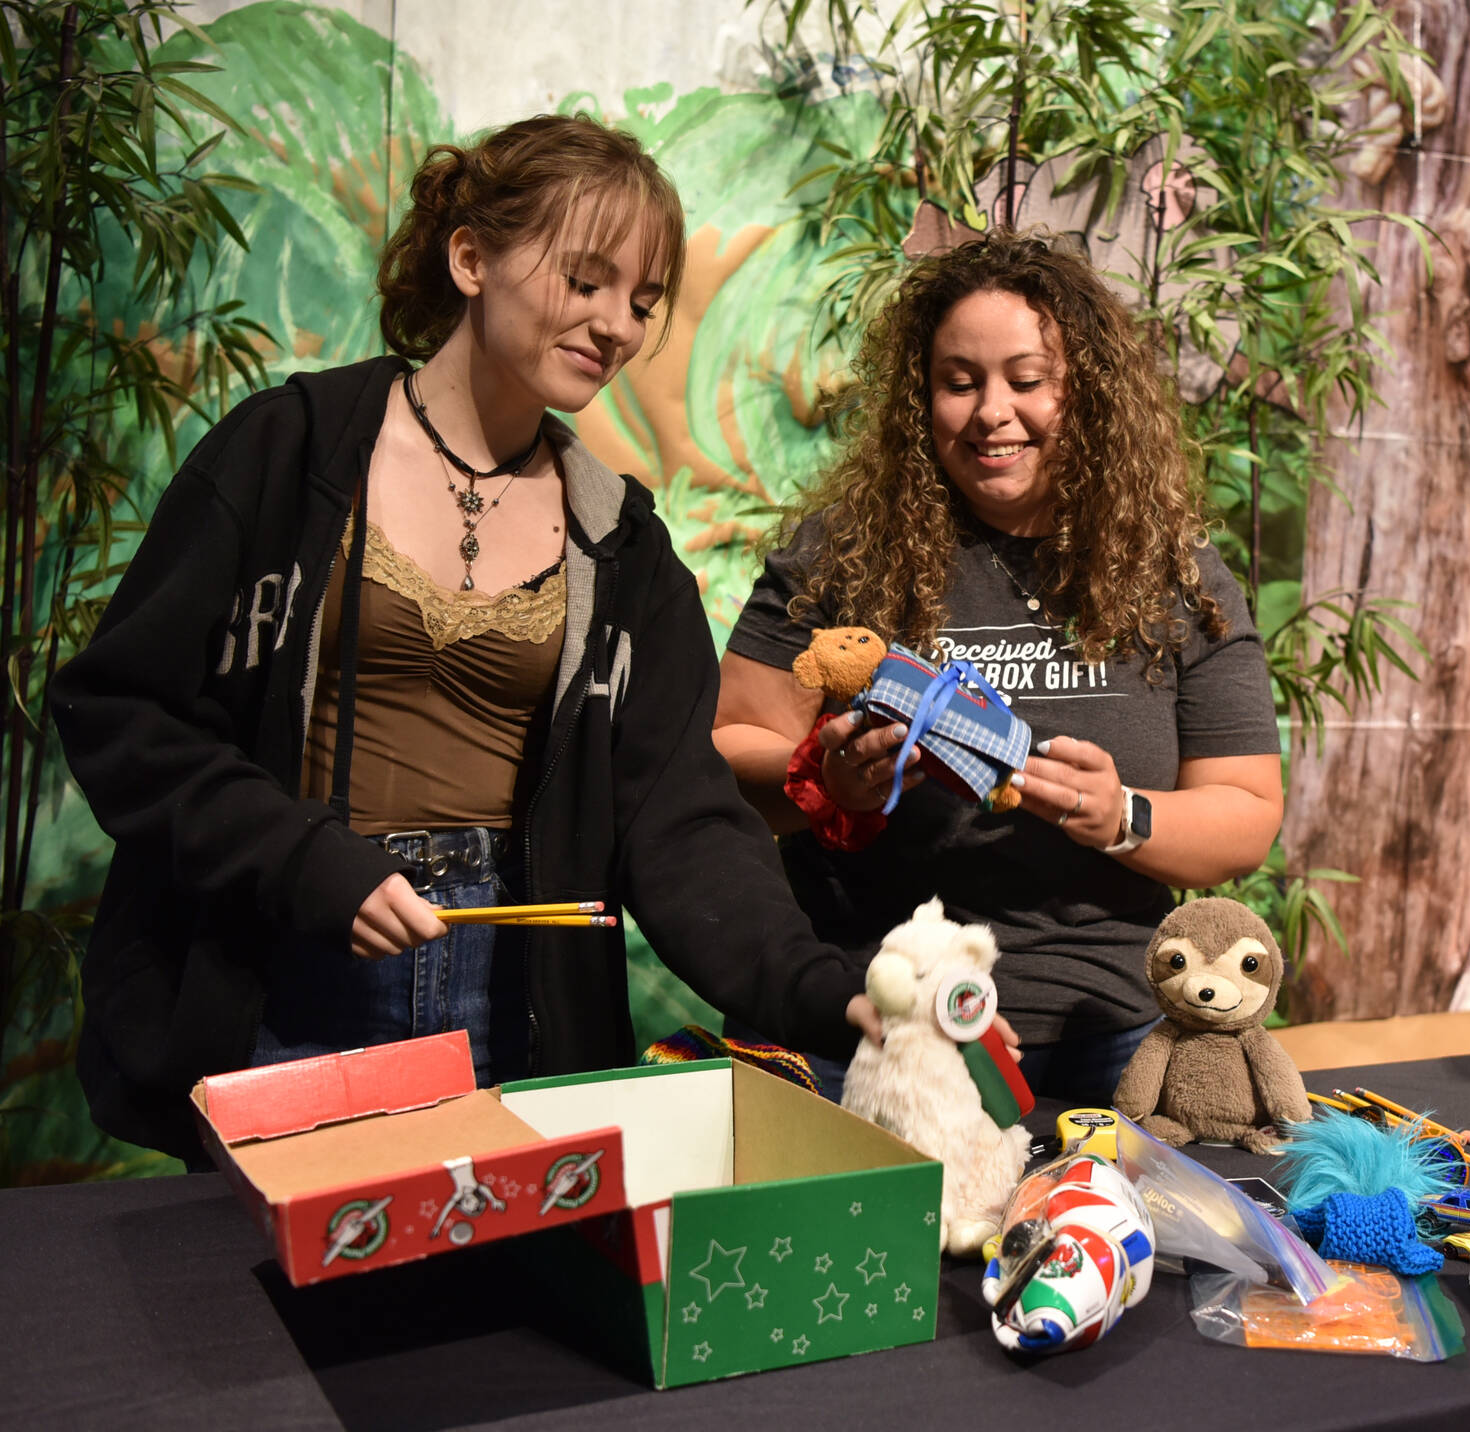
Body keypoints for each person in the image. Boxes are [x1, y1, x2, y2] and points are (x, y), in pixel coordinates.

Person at [52, 114, 881, 1164]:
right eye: (584, 280)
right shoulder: (286, 454)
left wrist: (823, 991)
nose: (615, 325)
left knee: (485, 1322)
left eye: (641, 300)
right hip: (285, 974)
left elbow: (684, 827)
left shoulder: (624, 551)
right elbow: (121, 711)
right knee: (265, 1315)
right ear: (471, 256)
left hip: (509, 998)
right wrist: (299, 857)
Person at [713, 230, 1283, 1103]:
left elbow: (1245, 812)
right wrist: (825, 779)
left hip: (1108, 1040)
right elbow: (726, 752)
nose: (991, 413)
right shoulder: (840, 556)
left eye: (1027, 381)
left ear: (1085, 392)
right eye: (958, 382)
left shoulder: (1172, 571)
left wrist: (1122, 814)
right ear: (920, 396)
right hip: (871, 1025)